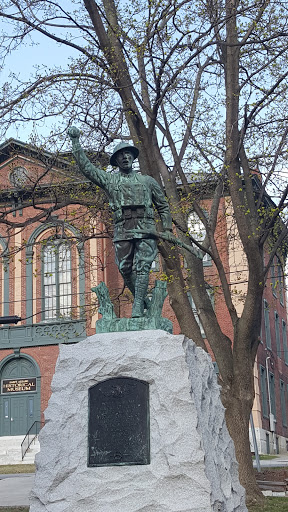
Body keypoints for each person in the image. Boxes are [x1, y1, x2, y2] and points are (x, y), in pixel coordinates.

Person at [68, 127, 172, 317]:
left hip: (146, 227)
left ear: (133, 158)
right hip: (123, 228)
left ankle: (138, 306)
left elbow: (163, 206)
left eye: (128, 154)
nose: (125, 157)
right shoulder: (110, 180)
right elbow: (87, 168)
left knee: (143, 266)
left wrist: (167, 228)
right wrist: (76, 142)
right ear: (116, 160)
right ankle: (144, 301)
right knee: (124, 268)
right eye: (121, 155)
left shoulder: (148, 181)